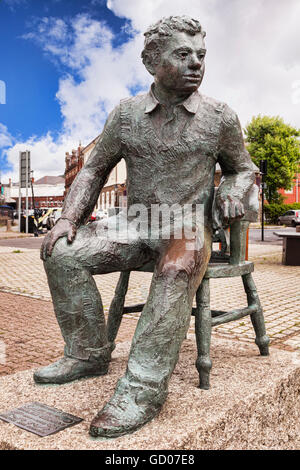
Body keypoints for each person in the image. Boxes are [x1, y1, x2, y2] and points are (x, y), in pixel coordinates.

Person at [36, 16, 255, 438]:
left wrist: (232, 189)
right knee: (61, 252)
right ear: (152, 60)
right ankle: (87, 354)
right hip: (135, 224)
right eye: (183, 54)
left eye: (201, 56)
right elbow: (93, 170)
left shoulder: (220, 117)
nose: (196, 64)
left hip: (187, 228)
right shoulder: (126, 115)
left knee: (174, 271)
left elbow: (244, 169)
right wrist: (67, 218)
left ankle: (143, 388)